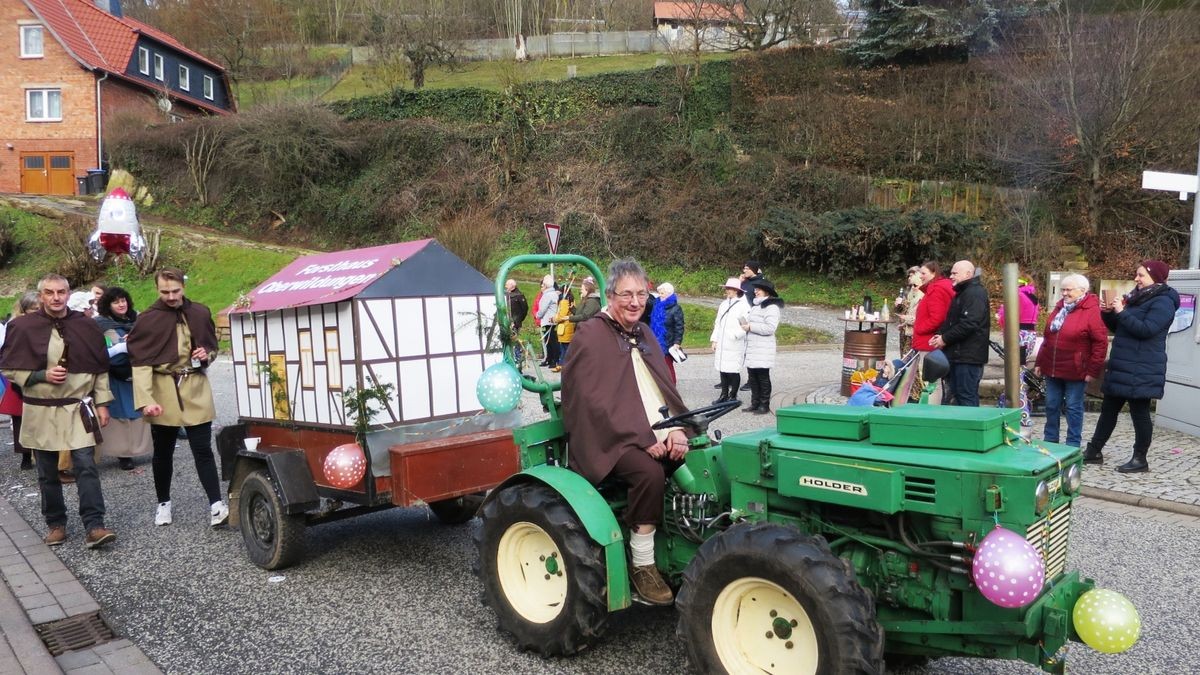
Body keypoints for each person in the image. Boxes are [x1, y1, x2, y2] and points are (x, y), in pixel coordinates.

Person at [560, 259, 690, 606]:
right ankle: (643, 563)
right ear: (609, 295)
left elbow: (663, 387)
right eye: (626, 295)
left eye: (641, 294)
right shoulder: (591, 334)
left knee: (701, 463)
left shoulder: (645, 333)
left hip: (656, 428)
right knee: (649, 472)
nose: (635, 302)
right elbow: (591, 400)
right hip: (608, 438)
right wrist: (642, 437)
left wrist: (676, 427)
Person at [0, 274, 115, 549]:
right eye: (49, 292)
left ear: (68, 293)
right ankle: (56, 524)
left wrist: (102, 403)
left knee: (86, 466)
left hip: (77, 409)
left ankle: (95, 525)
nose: (56, 297)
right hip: (41, 410)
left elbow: (99, 368)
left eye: (61, 292)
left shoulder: (85, 326)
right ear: (41, 296)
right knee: (47, 471)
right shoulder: (23, 327)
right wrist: (41, 375)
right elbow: (8, 367)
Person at [126, 268, 227, 527]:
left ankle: (216, 505)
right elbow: (140, 364)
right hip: (163, 389)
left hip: (195, 385)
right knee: (163, 451)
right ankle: (163, 504)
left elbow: (212, 348)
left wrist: (208, 355)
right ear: (157, 289)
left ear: (183, 287)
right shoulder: (148, 319)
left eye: (176, 291)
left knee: (203, 449)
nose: (171, 296)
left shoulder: (200, 312)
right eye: (165, 292)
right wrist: (146, 400)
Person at [1082, 260, 1179, 473]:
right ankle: (1094, 451)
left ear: (1156, 278)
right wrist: (1108, 312)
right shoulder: (1136, 297)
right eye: (1137, 274)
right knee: (1108, 411)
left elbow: (1147, 329)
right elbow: (1119, 327)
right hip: (1122, 365)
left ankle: (1140, 459)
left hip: (1143, 367)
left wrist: (1122, 312)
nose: (1136, 279)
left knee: (1140, 413)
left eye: (1141, 275)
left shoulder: (1164, 301)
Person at [1034, 274, 1107, 448]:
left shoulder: (1092, 310)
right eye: (1063, 289)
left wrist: (1093, 370)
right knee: (1051, 406)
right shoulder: (1060, 307)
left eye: (1069, 290)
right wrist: (1039, 362)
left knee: (1073, 408)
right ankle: (1050, 441)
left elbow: (1100, 343)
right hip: (1052, 367)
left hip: (1076, 369)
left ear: (1082, 291)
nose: (1065, 293)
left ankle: (1072, 444)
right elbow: (1047, 338)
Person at [94, 287, 151, 470]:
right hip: (114, 374)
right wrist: (120, 348)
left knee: (138, 412)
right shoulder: (100, 324)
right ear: (107, 305)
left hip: (137, 371)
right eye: (116, 301)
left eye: (123, 300)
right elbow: (97, 350)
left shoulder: (138, 320)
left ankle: (139, 449)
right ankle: (123, 455)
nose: (121, 304)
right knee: (120, 413)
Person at [930, 261, 990, 407]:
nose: (951, 276)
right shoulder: (962, 293)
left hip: (968, 357)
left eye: (954, 273)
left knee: (966, 397)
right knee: (957, 395)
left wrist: (945, 338)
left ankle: (973, 428)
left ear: (968, 274)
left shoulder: (975, 293)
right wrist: (940, 334)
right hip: (957, 355)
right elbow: (952, 321)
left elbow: (969, 323)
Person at [3, 291, 39, 470]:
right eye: (34, 309)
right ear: (25, 310)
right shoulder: (16, 326)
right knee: (20, 417)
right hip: (21, 376)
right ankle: (25, 453)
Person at [742, 279, 783, 415]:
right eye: (755, 289)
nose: (755, 291)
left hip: (763, 347)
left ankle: (764, 404)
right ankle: (755, 403)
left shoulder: (772, 307)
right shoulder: (756, 306)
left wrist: (750, 327)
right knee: (752, 377)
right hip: (753, 346)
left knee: (763, 377)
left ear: (766, 292)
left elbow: (770, 328)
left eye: (758, 289)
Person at [709, 277, 748, 404]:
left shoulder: (743, 305)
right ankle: (723, 394)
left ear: (737, 290)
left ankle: (733, 395)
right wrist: (715, 340)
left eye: (731, 288)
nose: (728, 291)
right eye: (727, 288)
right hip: (722, 341)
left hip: (734, 342)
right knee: (722, 368)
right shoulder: (723, 304)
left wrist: (736, 335)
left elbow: (745, 325)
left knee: (733, 369)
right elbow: (718, 323)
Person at [996, 276, 1041, 364]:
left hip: (1018, 334)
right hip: (1030, 334)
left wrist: (1000, 319)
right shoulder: (1032, 296)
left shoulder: (1018, 295)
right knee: (1022, 364)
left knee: (1014, 366)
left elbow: (1009, 316)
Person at [912, 261, 953, 352]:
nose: (920, 276)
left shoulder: (935, 289)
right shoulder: (939, 287)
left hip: (927, 343)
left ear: (934, 273)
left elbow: (937, 318)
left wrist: (919, 328)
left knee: (924, 366)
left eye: (923, 273)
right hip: (929, 341)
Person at [649, 282, 684, 383]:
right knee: (657, 365)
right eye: (659, 292)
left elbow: (679, 327)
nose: (660, 295)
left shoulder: (676, 308)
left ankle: (672, 387)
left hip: (668, 342)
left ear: (669, 294)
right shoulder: (656, 304)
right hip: (655, 340)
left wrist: (677, 342)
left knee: (668, 366)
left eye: (662, 293)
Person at [895, 265, 924, 354]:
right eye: (909, 276)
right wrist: (898, 305)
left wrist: (906, 319)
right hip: (905, 331)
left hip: (913, 334)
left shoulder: (923, 295)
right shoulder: (910, 293)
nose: (909, 278)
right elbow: (902, 311)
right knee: (903, 359)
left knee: (909, 361)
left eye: (911, 276)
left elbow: (920, 318)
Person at [535, 275, 560, 369]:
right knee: (549, 341)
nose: (542, 286)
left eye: (543, 285)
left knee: (551, 341)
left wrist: (537, 315)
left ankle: (554, 360)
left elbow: (543, 309)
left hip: (548, 320)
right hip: (550, 320)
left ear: (546, 285)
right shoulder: (552, 294)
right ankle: (550, 359)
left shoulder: (547, 295)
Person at [504, 279, 528, 367]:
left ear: (512, 286)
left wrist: (518, 320)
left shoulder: (519, 296)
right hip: (507, 322)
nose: (505, 286)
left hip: (515, 323)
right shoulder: (506, 295)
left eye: (507, 284)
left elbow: (525, 309)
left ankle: (518, 362)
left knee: (515, 342)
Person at [553, 287, 576, 370]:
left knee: (564, 347)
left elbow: (562, 314)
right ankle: (562, 363)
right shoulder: (571, 300)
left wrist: (555, 319)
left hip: (565, 328)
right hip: (568, 326)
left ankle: (562, 364)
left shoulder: (564, 301)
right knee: (565, 347)